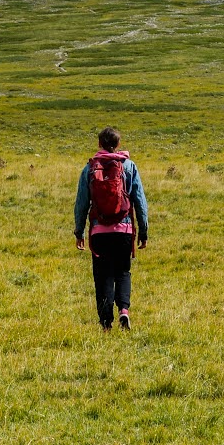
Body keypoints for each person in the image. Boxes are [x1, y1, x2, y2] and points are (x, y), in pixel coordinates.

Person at [74, 127, 148, 331]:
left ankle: (106, 323)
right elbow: (140, 201)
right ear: (118, 144)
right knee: (123, 272)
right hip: (123, 231)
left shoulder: (89, 168)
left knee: (102, 275)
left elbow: (81, 202)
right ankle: (124, 310)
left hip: (99, 233)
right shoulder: (129, 166)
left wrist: (79, 231)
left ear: (99, 144)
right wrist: (143, 231)